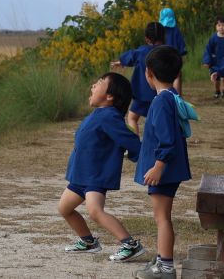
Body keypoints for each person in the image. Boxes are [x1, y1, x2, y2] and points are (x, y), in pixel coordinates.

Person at [59, 72, 146, 262]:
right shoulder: (99, 113)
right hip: (80, 175)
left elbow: (130, 141)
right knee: (64, 208)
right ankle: (88, 242)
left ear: (110, 96)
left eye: (98, 83)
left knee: (95, 211)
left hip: (95, 176)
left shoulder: (109, 116)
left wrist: (146, 162)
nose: (92, 85)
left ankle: (130, 244)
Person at [133, 46, 192, 279]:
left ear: (148, 73)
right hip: (168, 169)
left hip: (164, 171)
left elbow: (166, 140)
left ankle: (166, 267)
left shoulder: (160, 103)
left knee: (161, 218)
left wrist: (158, 166)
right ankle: (160, 259)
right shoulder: (170, 97)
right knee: (161, 216)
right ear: (177, 74)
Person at [110, 22, 164, 133]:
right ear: (164, 36)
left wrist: (120, 62)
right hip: (161, 94)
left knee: (132, 118)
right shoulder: (167, 52)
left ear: (147, 39)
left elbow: (130, 56)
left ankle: (134, 143)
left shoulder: (142, 52)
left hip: (142, 95)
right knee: (158, 120)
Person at [201, 15, 224, 100]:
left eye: (223, 25)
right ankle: (217, 91)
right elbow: (208, 50)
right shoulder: (213, 38)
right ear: (216, 27)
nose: (221, 27)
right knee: (216, 79)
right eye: (219, 25)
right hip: (215, 62)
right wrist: (207, 61)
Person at [159, 8, 187, 94]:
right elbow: (181, 46)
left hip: (162, 55)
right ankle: (177, 96)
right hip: (175, 56)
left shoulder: (159, 30)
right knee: (176, 76)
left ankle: (163, 95)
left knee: (161, 77)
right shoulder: (176, 30)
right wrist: (182, 57)